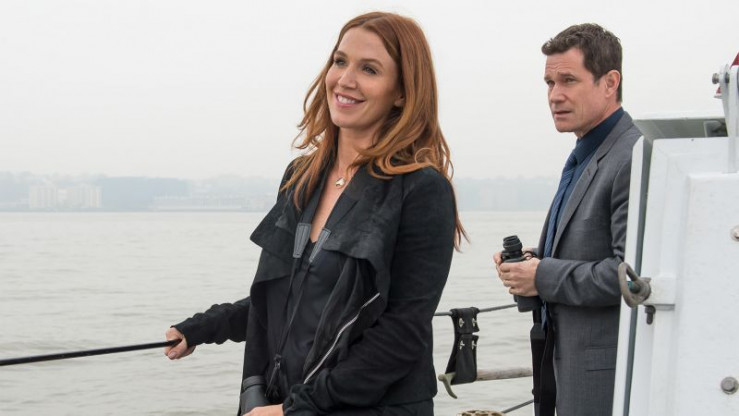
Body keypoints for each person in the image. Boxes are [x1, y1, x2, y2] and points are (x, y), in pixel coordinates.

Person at [165, 11, 465, 416]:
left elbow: (402, 333)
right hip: (289, 401)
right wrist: (204, 327)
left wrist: (297, 409)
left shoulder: (421, 189)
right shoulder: (301, 177)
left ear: (401, 92)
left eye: (369, 69)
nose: (345, 79)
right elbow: (290, 299)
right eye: (340, 61)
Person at [493, 24, 641, 416]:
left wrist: (541, 275)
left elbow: (632, 276)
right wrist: (528, 265)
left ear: (610, 82)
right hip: (564, 373)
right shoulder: (587, 153)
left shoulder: (630, 157)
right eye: (549, 82)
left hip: (603, 383)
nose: (555, 95)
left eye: (568, 80)